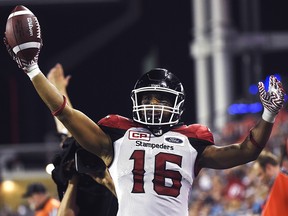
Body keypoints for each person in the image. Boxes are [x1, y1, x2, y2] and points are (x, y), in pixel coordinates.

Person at [4, 21, 286, 216]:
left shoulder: (192, 140)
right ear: (136, 101)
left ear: (177, 104)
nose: (154, 105)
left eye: (161, 99)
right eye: (149, 98)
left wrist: (269, 114)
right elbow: (65, 112)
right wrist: (32, 70)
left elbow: (246, 151)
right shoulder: (116, 135)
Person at [47, 63, 118, 216]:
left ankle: (59, 94)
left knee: (70, 143)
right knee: (73, 140)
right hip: (102, 189)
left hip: (88, 189)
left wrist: (73, 179)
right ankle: (59, 93)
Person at [252, 150, 288, 216]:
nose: (260, 179)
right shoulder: (274, 187)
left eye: (260, 174)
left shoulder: (285, 181)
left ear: (269, 168)